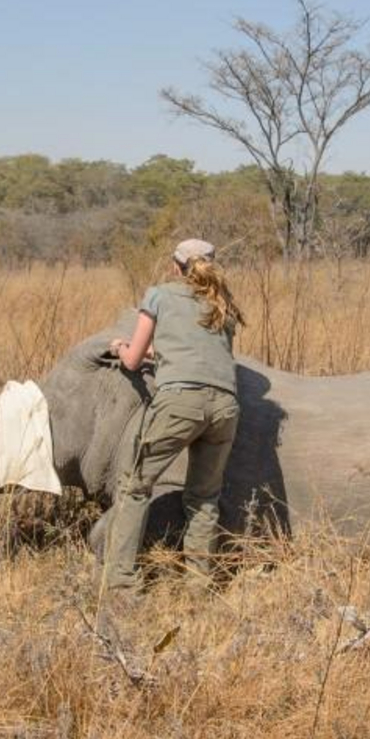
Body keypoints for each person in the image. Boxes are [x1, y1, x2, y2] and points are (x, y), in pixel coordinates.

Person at [102, 238, 243, 597]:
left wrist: (120, 347)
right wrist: (159, 352)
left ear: (174, 266)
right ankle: (199, 586)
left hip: (180, 401)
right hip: (226, 406)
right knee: (204, 495)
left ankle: (121, 582)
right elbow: (205, 352)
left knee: (134, 486)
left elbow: (133, 360)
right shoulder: (222, 302)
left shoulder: (159, 295)